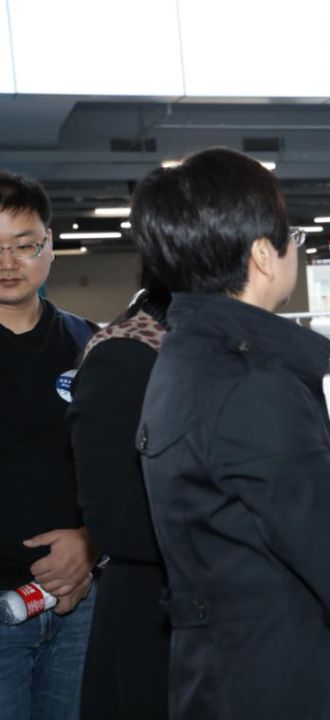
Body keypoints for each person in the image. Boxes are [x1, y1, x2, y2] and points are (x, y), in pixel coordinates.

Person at [132, 147, 330, 719]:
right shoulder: (254, 386)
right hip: (294, 677)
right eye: (290, 234)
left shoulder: (181, 362)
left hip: (227, 672)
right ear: (261, 256)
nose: (295, 246)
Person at [0, 170, 97, 720]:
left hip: (79, 603)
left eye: (24, 245)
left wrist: (91, 540)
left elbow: (126, 469)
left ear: (50, 245)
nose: (8, 262)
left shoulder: (92, 345)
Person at [68, 268, 172, 719]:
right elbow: (115, 514)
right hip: (156, 611)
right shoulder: (128, 352)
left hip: (220, 614)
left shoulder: (226, 350)